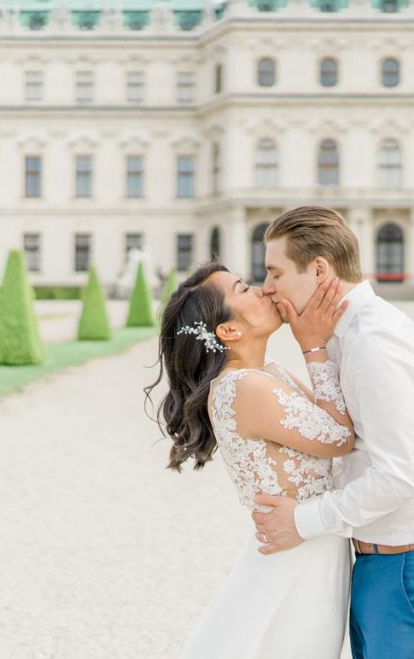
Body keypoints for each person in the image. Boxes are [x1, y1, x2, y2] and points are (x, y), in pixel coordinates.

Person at [252, 206, 414, 658]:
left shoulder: (373, 342)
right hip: (386, 564)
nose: (267, 287)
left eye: (275, 272)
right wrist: (312, 347)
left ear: (318, 269)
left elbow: (398, 475)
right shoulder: (344, 335)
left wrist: (301, 521)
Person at [145, 261, 356, 658]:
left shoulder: (265, 374)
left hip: (308, 545)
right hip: (297, 557)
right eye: (243, 289)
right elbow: (341, 436)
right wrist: (313, 345)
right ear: (229, 330)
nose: (262, 289)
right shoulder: (246, 387)